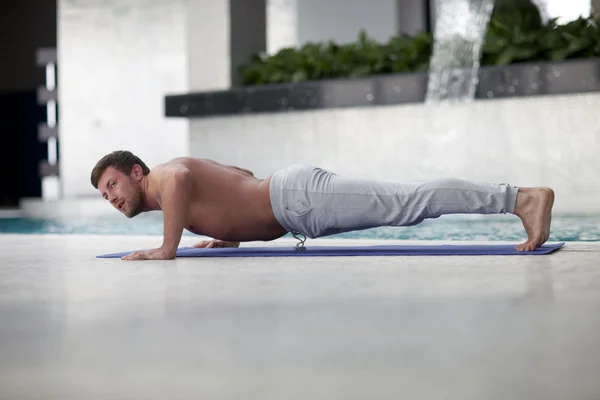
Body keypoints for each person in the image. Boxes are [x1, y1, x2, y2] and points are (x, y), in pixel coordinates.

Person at [90, 150, 554, 260]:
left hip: (298, 199)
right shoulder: (176, 190)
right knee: (406, 204)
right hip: (293, 202)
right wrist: (230, 233)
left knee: (408, 202)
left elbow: (185, 181)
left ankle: (519, 198)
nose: (111, 198)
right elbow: (237, 182)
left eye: (112, 184)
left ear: (136, 173)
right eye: (104, 195)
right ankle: (517, 198)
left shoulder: (168, 175)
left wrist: (165, 248)